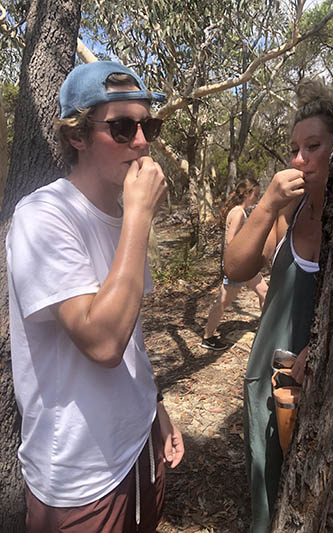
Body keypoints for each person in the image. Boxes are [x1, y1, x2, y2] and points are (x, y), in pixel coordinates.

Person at [6, 61, 184, 533]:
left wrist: (155, 406)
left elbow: (132, 338)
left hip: (136, 444)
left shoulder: (123, 217)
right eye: (122, 128)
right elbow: (103, 343)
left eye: (149, 126)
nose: (143, 143)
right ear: (76, 136)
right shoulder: (43, 217)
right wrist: (140, 216)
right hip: (80, 477)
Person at [224, 79, 333, 531]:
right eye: (293, 148)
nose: (298, 159)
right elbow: (236, 269)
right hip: (268, 382)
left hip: (324, 387)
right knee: (266, 489)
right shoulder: (289, 210)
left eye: (313, 146)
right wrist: (268, 204)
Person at [201, 179, 268, 351]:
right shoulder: (238, 212)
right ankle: (208, 337)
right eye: (256, 194)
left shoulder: (239, 211)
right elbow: (231, 241)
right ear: (247, 194)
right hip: (238, 265)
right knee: (223, 302)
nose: (257, 197)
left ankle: (266, 331)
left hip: (243, 263)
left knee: (264, 291)